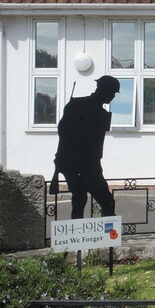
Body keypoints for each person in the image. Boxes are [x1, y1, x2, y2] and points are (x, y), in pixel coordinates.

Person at [53, 75, 120, 219]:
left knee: (80, 200)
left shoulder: (90, 109)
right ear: (104, 90)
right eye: (113, 92)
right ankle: (98, 237)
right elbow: (64, 131)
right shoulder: (78, 105)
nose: (113, 96)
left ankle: (82, 237)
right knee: (103, 201)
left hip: (86, 163)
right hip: (78, 163)